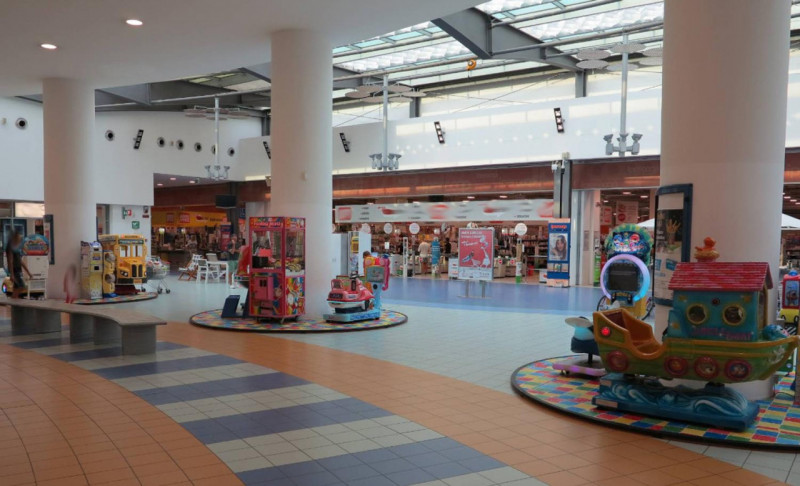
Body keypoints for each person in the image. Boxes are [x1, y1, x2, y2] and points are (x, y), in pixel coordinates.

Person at [5, 231, 32, 299]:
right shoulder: (10, 248)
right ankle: (13, 300)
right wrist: (12, 274)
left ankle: (14, 300)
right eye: (19, 239)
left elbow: (20, 261)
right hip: (14, 270)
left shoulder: (16, 249)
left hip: (18, 269)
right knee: (21, 286)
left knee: (17, 288)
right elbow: (10, 262)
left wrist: (28, 272)